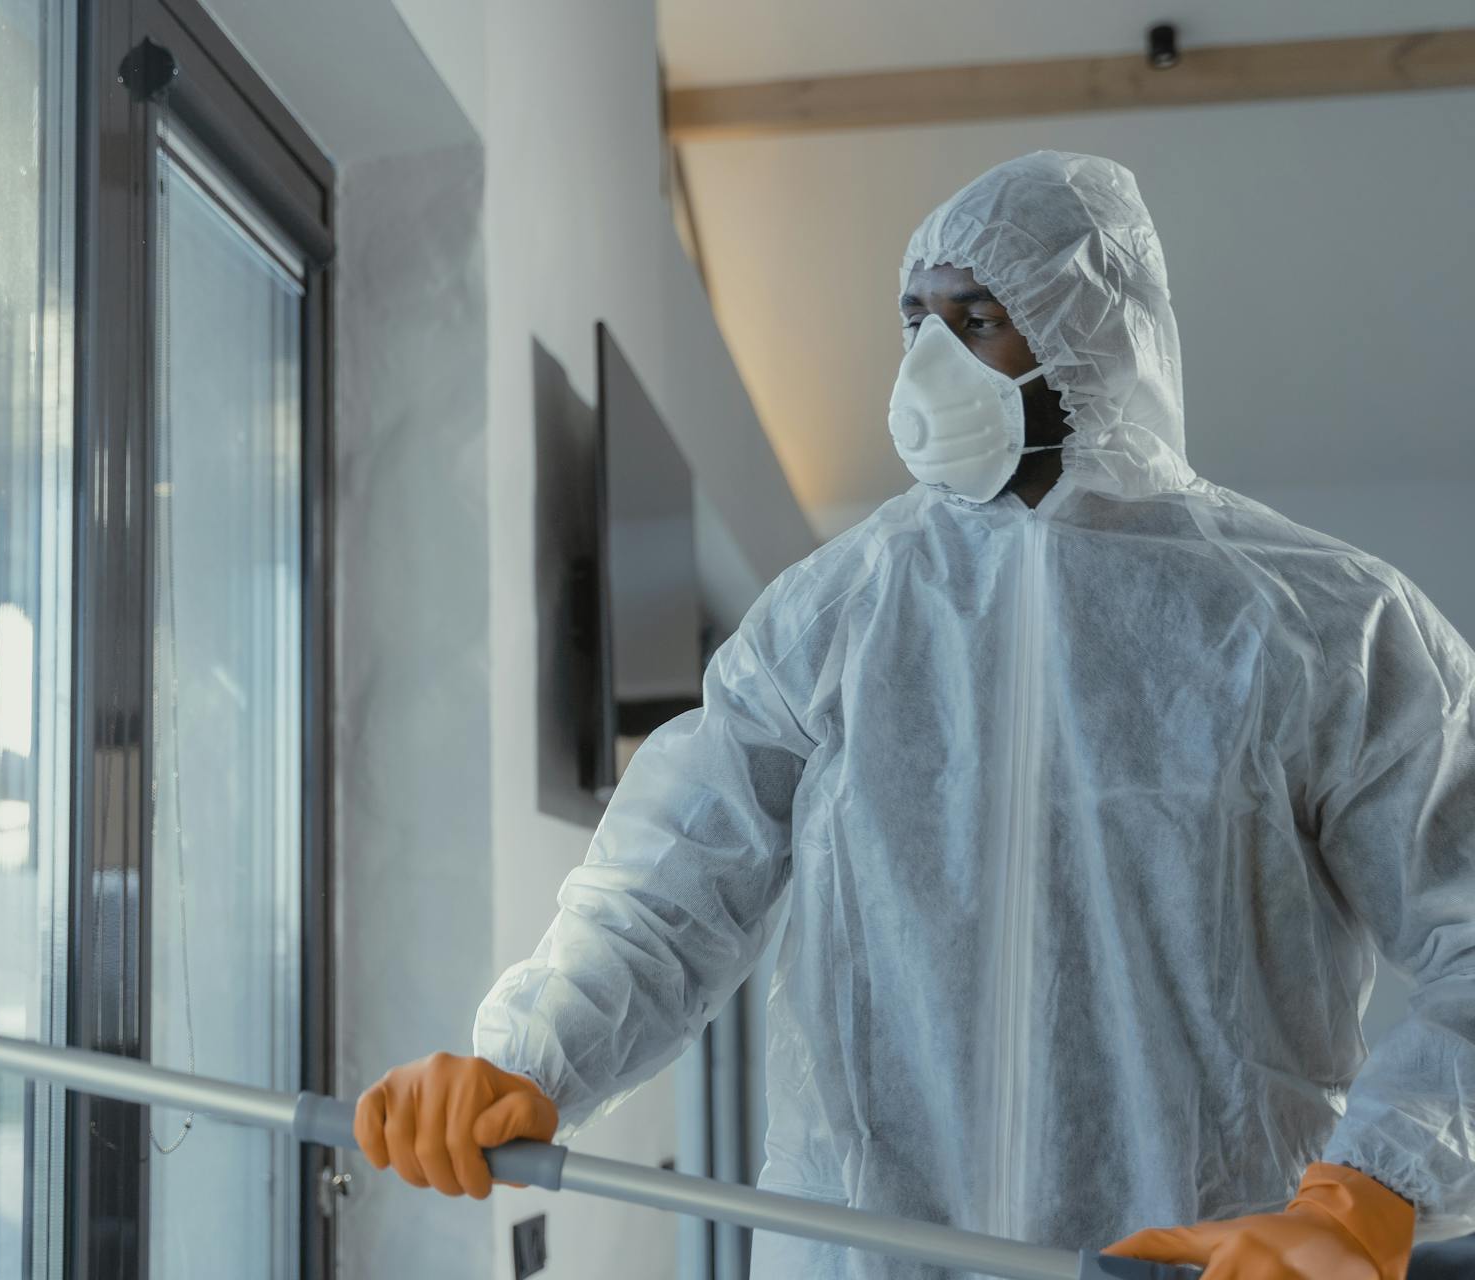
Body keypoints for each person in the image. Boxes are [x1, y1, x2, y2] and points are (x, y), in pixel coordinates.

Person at [356, 151, 1475, 1278]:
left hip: (1186, 1262)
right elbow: (670, 880)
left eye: (978, 317)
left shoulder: (1325, 625)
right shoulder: (837, 614)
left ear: (1092, 332)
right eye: (915, 319)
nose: (932, 359)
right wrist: (531, 1058)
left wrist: (1371, 1192)